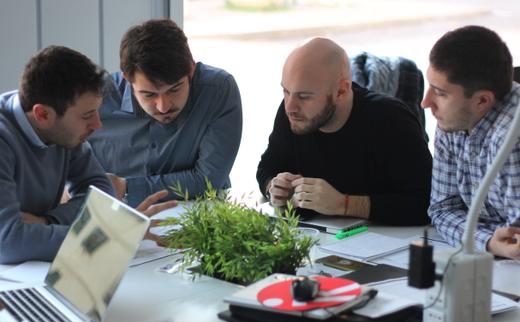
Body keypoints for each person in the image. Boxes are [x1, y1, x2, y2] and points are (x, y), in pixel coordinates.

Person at [0, 46, 176, 264]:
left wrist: (48, 221)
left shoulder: (63, 132)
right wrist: (110, 236)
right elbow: (8, 243)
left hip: (35, 268)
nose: (97, 125)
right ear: (43, 114)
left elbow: (102, 191)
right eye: (87, 116)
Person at [256, 37, 432, 226]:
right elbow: (266, 168)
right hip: (317, 238)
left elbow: (426, 203)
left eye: (304, 96)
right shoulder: (293, 112)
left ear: (341, 90)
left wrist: (345, 204)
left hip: (381, 244)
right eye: (286, 91)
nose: (290, 106)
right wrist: (274, 188)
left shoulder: (391, 120)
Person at [88, 19, 243, 207]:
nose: (163, 107)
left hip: (202, 213)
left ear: (191, 69)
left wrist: (127, 187)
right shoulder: (93, 100)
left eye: (174, 89)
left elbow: (208, 180)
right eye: (149, 94)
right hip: (115, 218)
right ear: (127, 79)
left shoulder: (217, 89)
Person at [424, 25, 520, 259]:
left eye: (440, 93)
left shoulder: (512, 138)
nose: (426, 103)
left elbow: (515, 240)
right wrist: (488, 242)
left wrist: (494, 242)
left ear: (482, 101)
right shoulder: (453, 118)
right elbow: (441, 209)